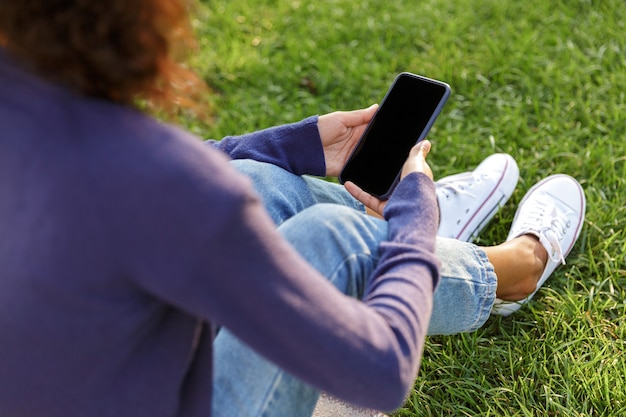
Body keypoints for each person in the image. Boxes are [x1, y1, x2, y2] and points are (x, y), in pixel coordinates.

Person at [0, 1, 586, 417]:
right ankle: (511, 270)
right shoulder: (156, 180)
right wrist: (415, 215)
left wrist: (291, 145)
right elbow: (381, 372)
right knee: (336, 239)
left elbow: (151, 180)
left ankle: (425, 250)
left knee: (258, 179)